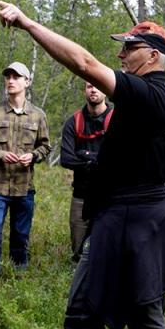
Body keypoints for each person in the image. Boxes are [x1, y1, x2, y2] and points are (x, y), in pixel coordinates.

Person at [0, 0, 165, 329]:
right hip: (132, 214)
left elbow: (83, 62)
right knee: (134, 312)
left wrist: (28, 24)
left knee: (108, 311)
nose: (120, 55)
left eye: (128, 48)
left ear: (152, 55)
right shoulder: (149, 98)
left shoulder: (150, 94)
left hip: (135, 216)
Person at [0, 61, 51, 277]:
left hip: (24, 189)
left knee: (20, 237)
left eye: (16, 77)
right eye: (8, 77)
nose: (10, 81)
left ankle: (19, 278)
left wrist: (33, 156)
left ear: (27, 82)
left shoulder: (38, 115)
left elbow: (45, 146)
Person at [59, 82, 113, 262]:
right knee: (78, 251)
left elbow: (121, 158)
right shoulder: (73, 122)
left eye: (98, 86)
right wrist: (98, 161)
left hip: (110, 197)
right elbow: (66, 159)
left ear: (105, 90)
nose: (94, 90)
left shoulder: (116, 119)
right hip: (81, 195)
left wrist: (84, 155)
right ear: (85, 90)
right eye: (89, 86)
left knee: (107, 249)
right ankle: (79, 286)